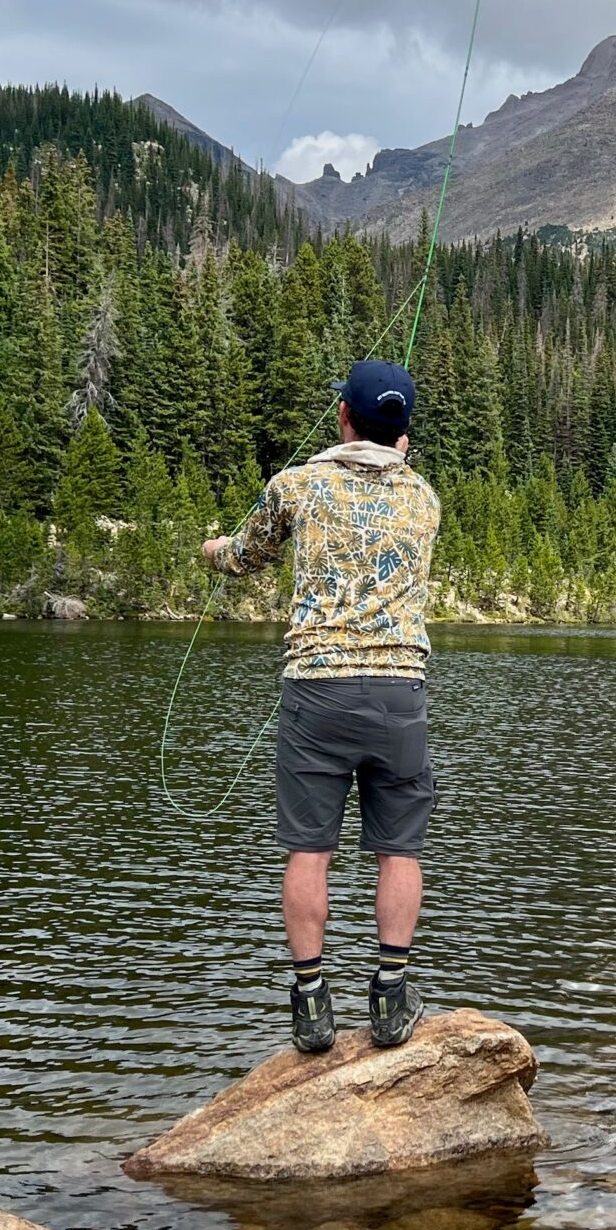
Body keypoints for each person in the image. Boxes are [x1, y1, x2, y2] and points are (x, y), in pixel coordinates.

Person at [202, 359, 441, 1055]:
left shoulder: (296, 486)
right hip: (400, 692)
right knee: (400, 848)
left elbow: (244, 556)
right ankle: (391, 999)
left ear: (342, 416)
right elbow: (388, 478)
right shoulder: (424, 498)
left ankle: (311, 1006)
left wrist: (211, 549)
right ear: (403, 435)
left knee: (311, 850)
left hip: (316, 691)